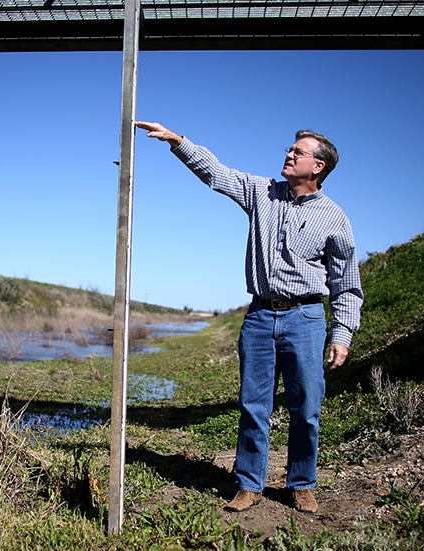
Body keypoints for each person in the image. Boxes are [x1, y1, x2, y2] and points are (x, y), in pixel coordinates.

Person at [135, 120, 363, 514]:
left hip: (306, 318)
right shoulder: (262, 192)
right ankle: (249, 484)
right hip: (259, 317)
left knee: (306, 407)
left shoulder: (335, 217)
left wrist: (342, 332)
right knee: (253, 405)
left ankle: (301, 483)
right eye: (290, 149)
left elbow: (346, 281)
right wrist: (178, 141)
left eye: (298, 151)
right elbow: (217, 173)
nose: (288, 154)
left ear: (318, 167)